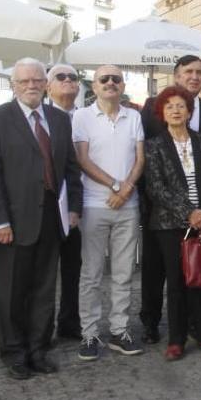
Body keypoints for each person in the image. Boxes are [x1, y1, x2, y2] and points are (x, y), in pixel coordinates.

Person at [0, 58, 82, 379]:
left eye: (37, 80)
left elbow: (70, 168)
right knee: (11, 291)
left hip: (52, 217)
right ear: (13, 85)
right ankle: (13, 352)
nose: (31, 86)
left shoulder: (59, 119)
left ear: (46, 84)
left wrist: (74, 208)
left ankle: (38, 348)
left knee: (43, 288)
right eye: (24, 81)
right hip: (12, 221)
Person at [139, 55, 201, 344]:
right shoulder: (153, 145)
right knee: (174, 281)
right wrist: (187, 212)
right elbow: (155, 186)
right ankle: (175, 339)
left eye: (181, 107)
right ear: (162, 112)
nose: (176, 111)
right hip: (168, 222)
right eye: (170, 107)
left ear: (189, 111)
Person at [72, 65, 146, 360]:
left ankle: (119, 330)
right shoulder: (82, 116)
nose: (111, 83)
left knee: (124, 272)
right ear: (94, 85)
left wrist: (126, 188)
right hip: (94, 204)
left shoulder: (135, 116)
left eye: (116, 79)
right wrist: (116, 184)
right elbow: (82, 158)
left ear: (123, 84)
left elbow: (140, 157)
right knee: (91, 273)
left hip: (128, 205)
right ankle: (89, 333)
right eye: (105, 79)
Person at [45, 63, 83, 341]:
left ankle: (70, 321)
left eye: (73, 77)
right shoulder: (40, 117)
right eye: (61, 76)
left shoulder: (85, 117)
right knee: (44, 273)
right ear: (48, 86)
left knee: (74, 269)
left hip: (78, 205)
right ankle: (42, 327)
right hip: (46, 206)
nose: (68, 80)